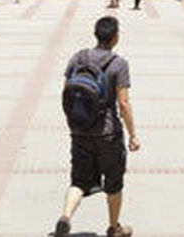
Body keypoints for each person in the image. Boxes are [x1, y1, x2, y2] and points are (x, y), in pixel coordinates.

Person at [54, 16, 139, 237]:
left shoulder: (78, 58)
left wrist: (74, 122)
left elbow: (66, 93)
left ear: (96, 34)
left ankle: (65, 216)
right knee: (114, 183)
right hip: (107, 133)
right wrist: (133, 135)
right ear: (115, 37)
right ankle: (114, 228)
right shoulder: (118, 64)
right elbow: (123, 103)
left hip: (80, 130)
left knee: (79, 181)